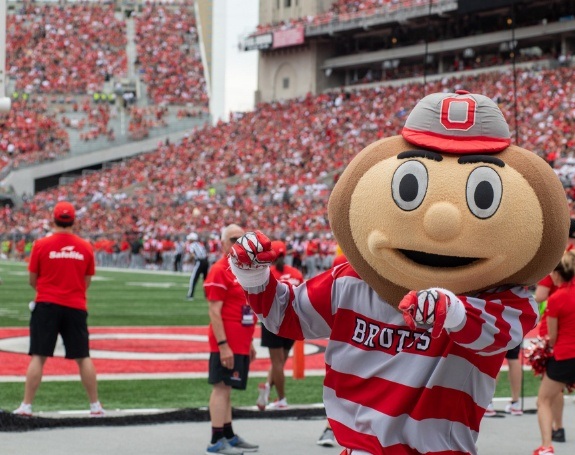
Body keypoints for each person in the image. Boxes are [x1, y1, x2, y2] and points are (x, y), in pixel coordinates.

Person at [13, 201, 104, 417]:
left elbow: (32, 279)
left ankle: (26, 405)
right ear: (73, 220)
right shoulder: (85, 247)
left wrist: (48, 290)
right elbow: (87, 280)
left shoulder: (41, 245)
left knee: (38, 356)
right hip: (75, 305)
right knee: (83, 356)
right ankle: (95, 406)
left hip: (46, 304)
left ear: (53, 219)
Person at [204, 224, 258, 454]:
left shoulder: (241, 268)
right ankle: (217, 439)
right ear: (224, 243)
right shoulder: (219, 269)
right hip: (226, 341)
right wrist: (223, 345)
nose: (238, 242)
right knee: (221, 387)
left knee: (228, 388)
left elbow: (243, 307)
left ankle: (228, 434)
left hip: (240, 340)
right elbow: (214, 312)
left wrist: (250, 342)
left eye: (242, 238)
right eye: (233, 239)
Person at [533, 250, 575, 455]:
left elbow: (553, 336)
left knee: (543, 400)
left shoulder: (557, 298)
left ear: (558, 275)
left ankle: (546, 447)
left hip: (565, 356)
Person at [256, 240, 304, 411]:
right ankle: (268, 387)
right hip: (293, 322)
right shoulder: (296, 273)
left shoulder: (268, 274)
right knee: (281, 361)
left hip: (273, 321)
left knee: (277, 362)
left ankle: (282, 398)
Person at [186, 232, 209, 301]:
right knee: (205, 280)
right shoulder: (200, 244)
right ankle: (207, 295)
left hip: (200, 262)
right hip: (205, 262)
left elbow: (192, 254)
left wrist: (189, 260)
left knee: (193, 279)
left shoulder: (192, 245)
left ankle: (190, 295)